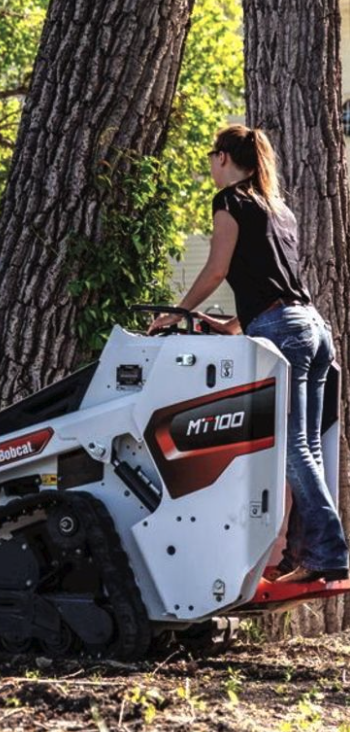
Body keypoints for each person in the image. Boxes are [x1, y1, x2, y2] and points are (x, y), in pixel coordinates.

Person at [148, 124, 349, 583]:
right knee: (306, 449)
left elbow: (217, 269)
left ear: (223, 158)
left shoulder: (229, 202)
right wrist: (235, 325)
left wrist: (177, 314)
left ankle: (329, 551)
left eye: (211, 156)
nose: (210, 166)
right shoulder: (278, 210)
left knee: (295, 447)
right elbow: (274, 284)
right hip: (312, 328)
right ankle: (308, 554)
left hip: (286, 331)